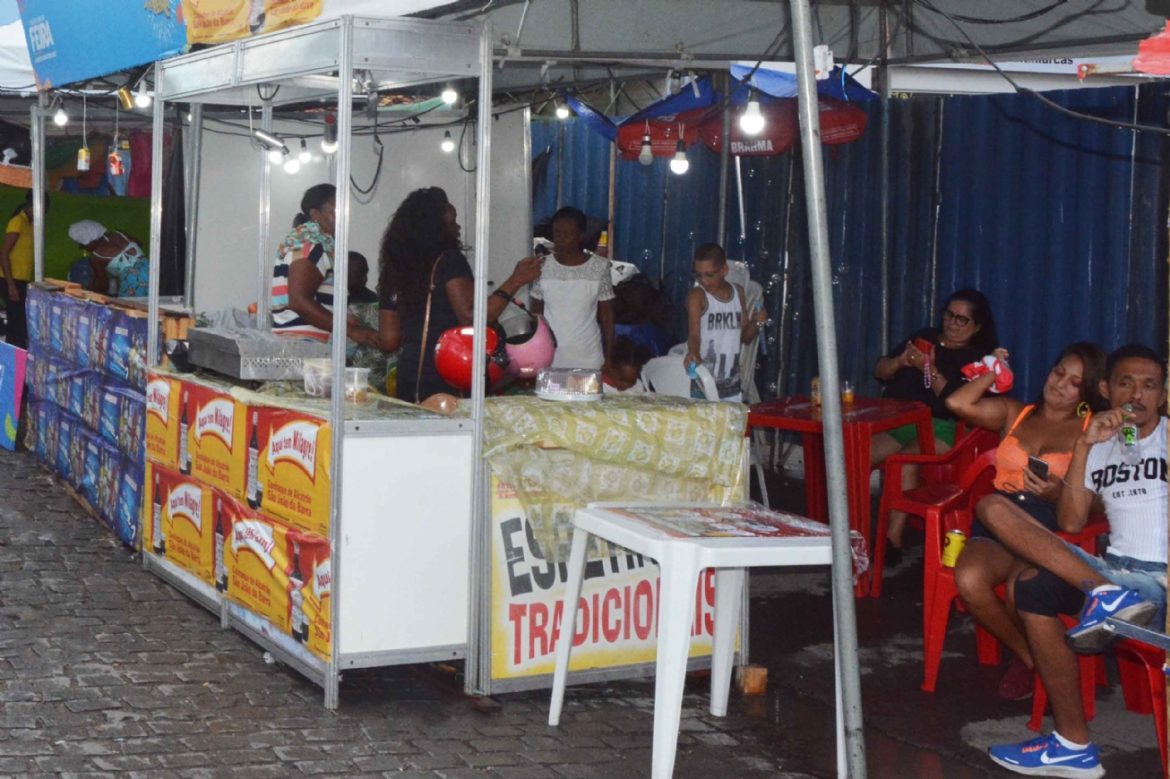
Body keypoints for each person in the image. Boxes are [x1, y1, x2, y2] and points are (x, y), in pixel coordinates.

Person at [979, 344, 1166, 778]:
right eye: (1126, 383)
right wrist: (1083, 446)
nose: (1137, 394)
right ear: (1106, 390)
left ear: (1162, 395)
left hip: (1162, 580)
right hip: (1116, 570)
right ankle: (1073, 745)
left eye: (1150, 385)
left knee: (1038, 579)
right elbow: (1070, 520)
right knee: (996, 515)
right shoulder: (1098, 445)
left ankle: (1107, 595)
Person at [944, 342, 1108, 701]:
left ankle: (1041, 661)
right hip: (999, 518)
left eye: (1075, 382)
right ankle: (1029, 657)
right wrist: (993, 371)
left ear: (1088, 392)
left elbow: (1100, 503)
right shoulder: (1015, 413)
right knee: (969, 579)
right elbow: (957, 403)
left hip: (1047, 526)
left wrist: (1057, 493)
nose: (1060, 384)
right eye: (1059, 372)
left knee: (1019, 590)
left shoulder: (1090, 432)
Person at [376, 187, 542, 402]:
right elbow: (471, 316)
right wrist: (516, 280)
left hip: (410, 376)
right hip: (450, 374)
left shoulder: (394, 270)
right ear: (435, 226)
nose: (458, 226)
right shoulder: (449, 261)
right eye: (452, 221)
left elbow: (389, 340)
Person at [872, 288, 1000, 560]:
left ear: (977, 326)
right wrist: (900, 361)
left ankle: (891, 542)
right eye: (949, 315)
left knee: (904, 461)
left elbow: (955, 401)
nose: (952, 323)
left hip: (944, 427)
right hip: (901, 420)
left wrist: (928, 368)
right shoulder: (925, 337)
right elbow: (879, 370)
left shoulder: (977, 360)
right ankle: (844, 530)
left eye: (961, 319)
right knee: (853, 456)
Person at [270, 184, 378, 346]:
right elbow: (299, 301)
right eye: (335, 210)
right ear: (315, 214)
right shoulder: (311, 245)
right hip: (305, 344)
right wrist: (352, 331)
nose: (342, 217)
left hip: (302, 342)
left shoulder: (308, 243)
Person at [528, 206, 614, 370]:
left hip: (588, 357)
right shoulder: (542, 265)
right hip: (549, 357)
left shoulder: (600, 267)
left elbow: (607, 317)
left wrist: (609, 357)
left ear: (581, 235)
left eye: (567, 233)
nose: (561, 238)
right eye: (557, 233)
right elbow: (536, 315)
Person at [685, 243, 767, 402]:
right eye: (698, 275)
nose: (703, 281)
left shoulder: (738, 293)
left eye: (709, 275)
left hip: (731, 386)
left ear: (724, 270)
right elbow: (694, 335)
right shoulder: (697, 296)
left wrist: (757, 322)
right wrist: (693, 352)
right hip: (703, 385)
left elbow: (745, 337)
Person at [0, 191, 46, 348]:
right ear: (31, 206)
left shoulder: (30, 225)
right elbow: (4, 253)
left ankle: (18, 351)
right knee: (16, 322)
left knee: (20, 321)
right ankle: (14, 355)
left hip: (22, 279)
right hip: (10, 278)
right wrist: (11, 285)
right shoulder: (17, 222)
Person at [67, 219, 149, 298]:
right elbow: (139, 243)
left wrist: (91, 290)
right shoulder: (120, 234)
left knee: (131, 306)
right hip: (151, 270)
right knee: (153, 303)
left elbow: (104, 285)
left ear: (89, 242)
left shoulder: (96, 258)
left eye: (82, 245)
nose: (82, 248)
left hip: (131, 283)